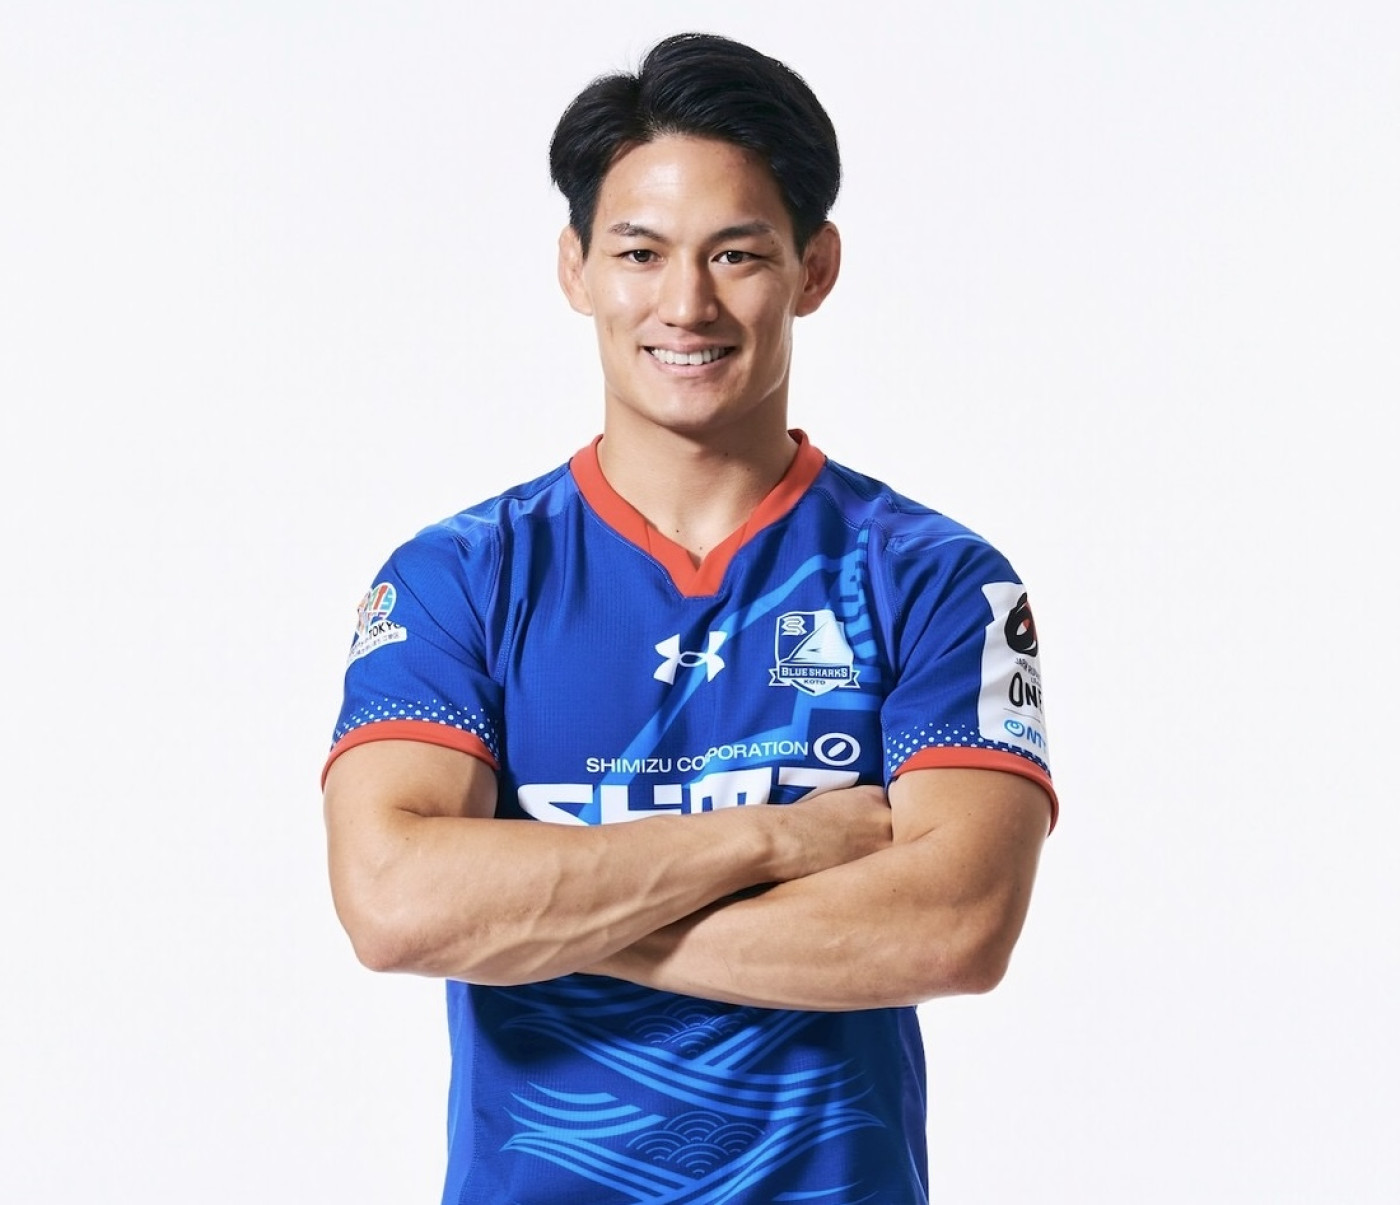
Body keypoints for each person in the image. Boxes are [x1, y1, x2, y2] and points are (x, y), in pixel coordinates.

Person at [322, 31, 1055, 1205]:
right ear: (575, 268)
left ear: (814, 268)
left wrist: (533, 915)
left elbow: (953, 927)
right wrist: (772, 842)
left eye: (736, 253)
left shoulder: (932, 578)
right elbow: (397, 905)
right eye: (639, 252)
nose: (684, 303)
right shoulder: (460, 575)